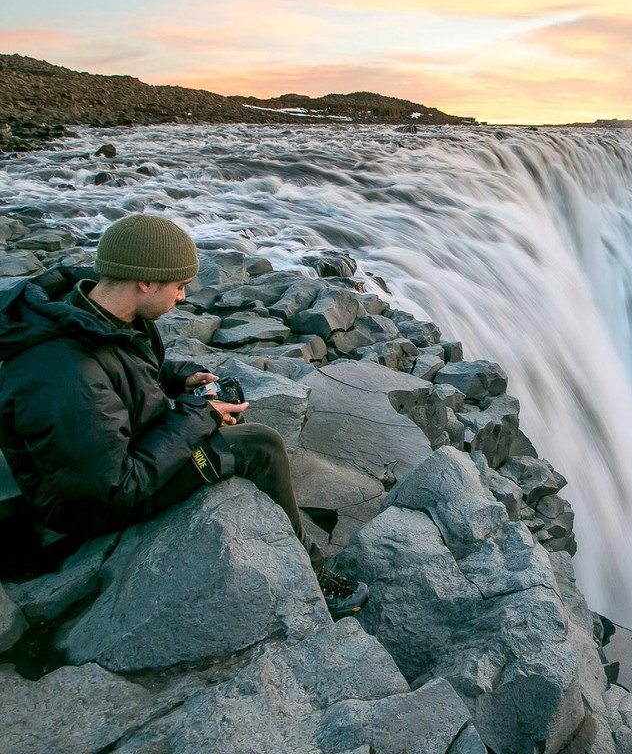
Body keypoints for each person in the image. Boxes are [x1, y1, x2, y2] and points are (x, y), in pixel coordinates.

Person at [0, 213, 365, 617]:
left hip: (105, 458)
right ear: (145, 281)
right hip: (89, 503)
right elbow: (112, 486)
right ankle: (313, 579)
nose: (183, 297)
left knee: (224, 422)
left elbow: (119, 371)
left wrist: (178, 379)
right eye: (178, 286)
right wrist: (198, 417)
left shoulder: (99, 314)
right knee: (260, 446)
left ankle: (280, 531)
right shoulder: (63, 373)